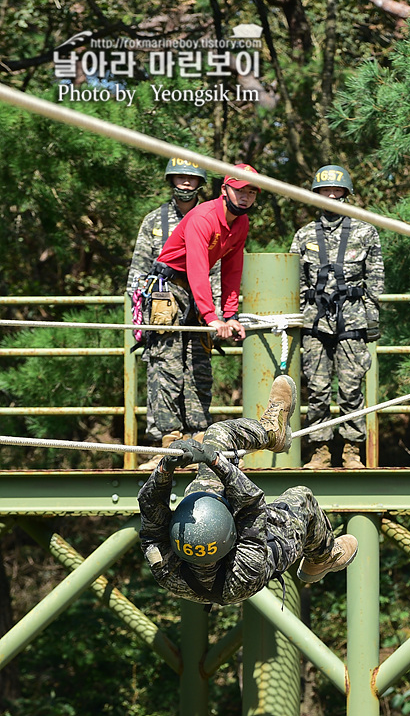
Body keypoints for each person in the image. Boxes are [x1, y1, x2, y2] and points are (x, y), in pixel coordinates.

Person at [138, 375, 359, 605]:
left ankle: (272, 433)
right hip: (257, 555)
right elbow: (252, 503)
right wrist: (215, 462)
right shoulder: (248, 568)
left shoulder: (163, 561)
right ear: (232, 528)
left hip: (213, 540)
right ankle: (324, 556)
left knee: (216, 435)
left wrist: (166, 467)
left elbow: (149, 504)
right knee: (303, 500)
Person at [137, 164, 260, 467]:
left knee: (198, 363)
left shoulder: (240, 223)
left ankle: (198, 440)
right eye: (240, 190)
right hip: (170, 289)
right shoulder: (204, 217)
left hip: (197, 291)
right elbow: (195, 267)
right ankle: (168, 443)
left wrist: (230, 315)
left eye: (251, 191)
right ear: (224, 190)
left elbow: (232, 269)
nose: (244, 197)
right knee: (167, 363)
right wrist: (211, 315)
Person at [127, 158, 221, 469]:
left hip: (200, 302)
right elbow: (138, 271)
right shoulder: (154, 221)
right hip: (163, 305)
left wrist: (217, 313)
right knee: (162, 371)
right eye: (179, 177)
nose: (184, 183)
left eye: (190, 178)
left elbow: (218, 266)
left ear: (200, 183)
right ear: (171, 180)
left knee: (198, 370)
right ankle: (166, 443)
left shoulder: (211, 217)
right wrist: (138, 315)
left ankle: (197, 442)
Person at [289, 165, 384, 469]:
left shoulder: (365, 232)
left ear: (346, 193)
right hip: (315, 321)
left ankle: (352, 451)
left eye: (337, 190)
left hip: (353, 320)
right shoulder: (303, 236)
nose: (332, 195)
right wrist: (300, 317)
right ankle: (320, 450)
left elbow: (376, 279)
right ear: (316, 195)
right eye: (325, 191)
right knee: (316, 389)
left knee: (351, 387)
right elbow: (296, 281)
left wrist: (371, 318)